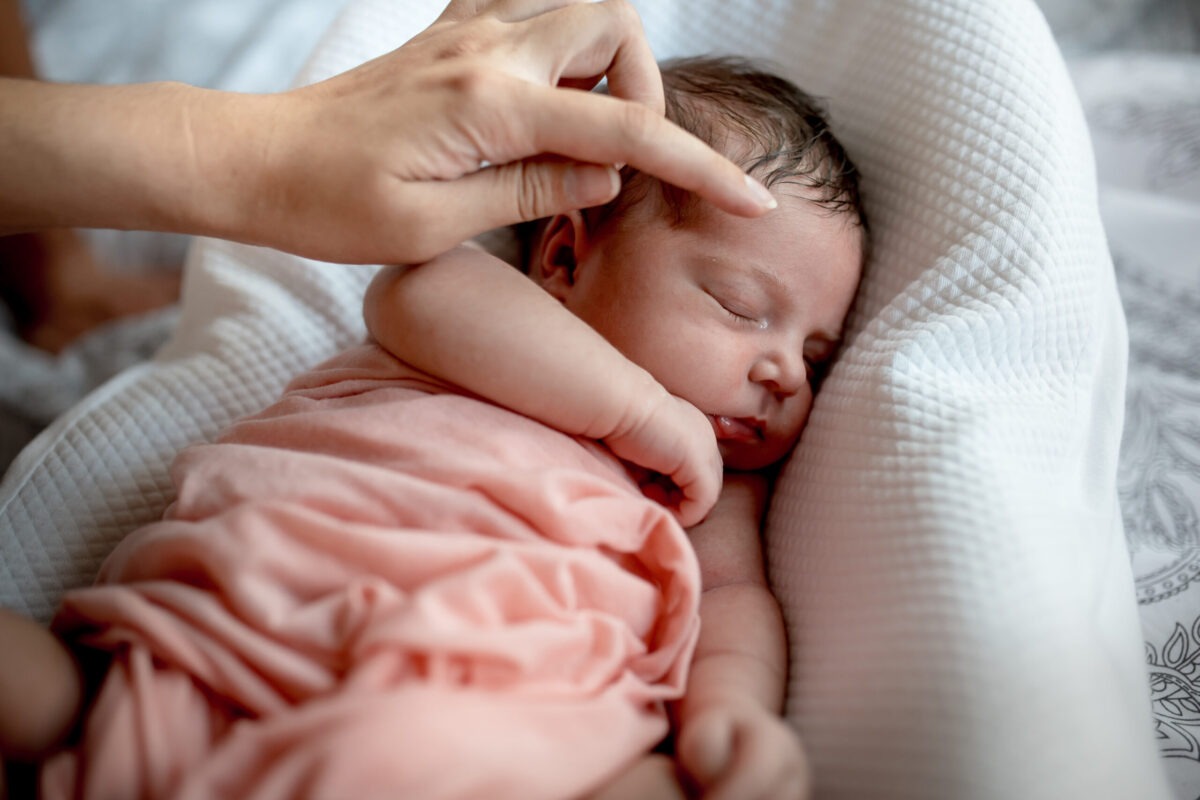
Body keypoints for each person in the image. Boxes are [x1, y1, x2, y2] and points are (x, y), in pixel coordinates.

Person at [0, 54, 866, 799]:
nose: (783, 372)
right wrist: (639, 412)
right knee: (54, 694)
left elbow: (731, 600)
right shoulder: (487, 309)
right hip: (248, 615)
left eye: (816, 357)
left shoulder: (717, 488)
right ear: (563, 258)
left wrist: (734, 712)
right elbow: (413, 292)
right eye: (742, 307)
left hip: (488, 706)